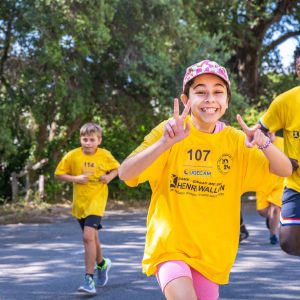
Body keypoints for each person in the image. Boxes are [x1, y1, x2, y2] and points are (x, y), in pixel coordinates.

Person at [118, 59, 292, 299]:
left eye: (218, 92)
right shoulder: (168, 132)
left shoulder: (237, 142)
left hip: (212, 256)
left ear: (227, 100)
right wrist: (164, 143)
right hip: (171, 249)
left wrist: (263, 141)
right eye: (200, 92)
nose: (210, 98)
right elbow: (126, 173)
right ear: (185, 100)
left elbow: (284, 169)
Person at [55, 122, 119, 294]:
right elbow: (59, 174)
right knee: (93, 237)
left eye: (92, 139)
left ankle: (88, 279)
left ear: (99, 140)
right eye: (85, 139)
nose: (88, 143)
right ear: (80, 139)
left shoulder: (104, 155)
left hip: (97, 202)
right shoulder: (72, 155)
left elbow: (117, 168)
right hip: (80, 203)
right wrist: (76, 179)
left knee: (87, 236)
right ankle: (102, 264)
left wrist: (109, 177)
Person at [259, 46, 300, 256]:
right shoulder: (285, 101)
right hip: (295, 184)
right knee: (288, 243)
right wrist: (282, 159)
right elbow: (261, 131)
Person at [255, 133, 284, 245]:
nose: (269, 135)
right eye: (266, 133)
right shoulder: (257, 144)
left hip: (280, 183)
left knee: (275, 208)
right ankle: (273, 219)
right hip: (262, 183)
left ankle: (273, 235)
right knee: (262, 211)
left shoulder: (283, 143)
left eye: (270, 132)